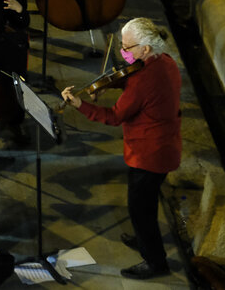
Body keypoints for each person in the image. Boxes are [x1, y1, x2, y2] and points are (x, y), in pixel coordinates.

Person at [61, 18, 181, 280]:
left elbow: (115, 116)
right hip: (165, 144)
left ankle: (155, 262)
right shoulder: (165, 62)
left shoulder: (144, 79)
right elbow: (136, 83)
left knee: (141, 210)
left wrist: (80, 104)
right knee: (143, 204)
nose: (123, 53)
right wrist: (113, 83)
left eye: (127, 48)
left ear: (146, 49)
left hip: (149, 154)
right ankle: (143, 240)